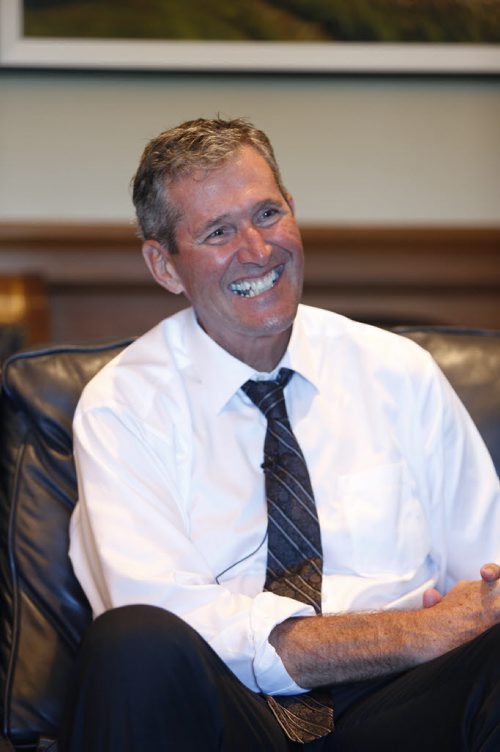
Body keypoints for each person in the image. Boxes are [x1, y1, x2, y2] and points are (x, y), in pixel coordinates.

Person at [61, 117, 500, 751]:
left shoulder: (398, 373)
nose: (257, 250)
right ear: (164, 265)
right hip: (232, 711)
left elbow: (486, 577)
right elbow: (170, 622)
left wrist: (437, 633)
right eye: (218, 232)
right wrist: (409, 631)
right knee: (132, 645)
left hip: (398, 703)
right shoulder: (122, 407)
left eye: (267, 214)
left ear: (294, 212)